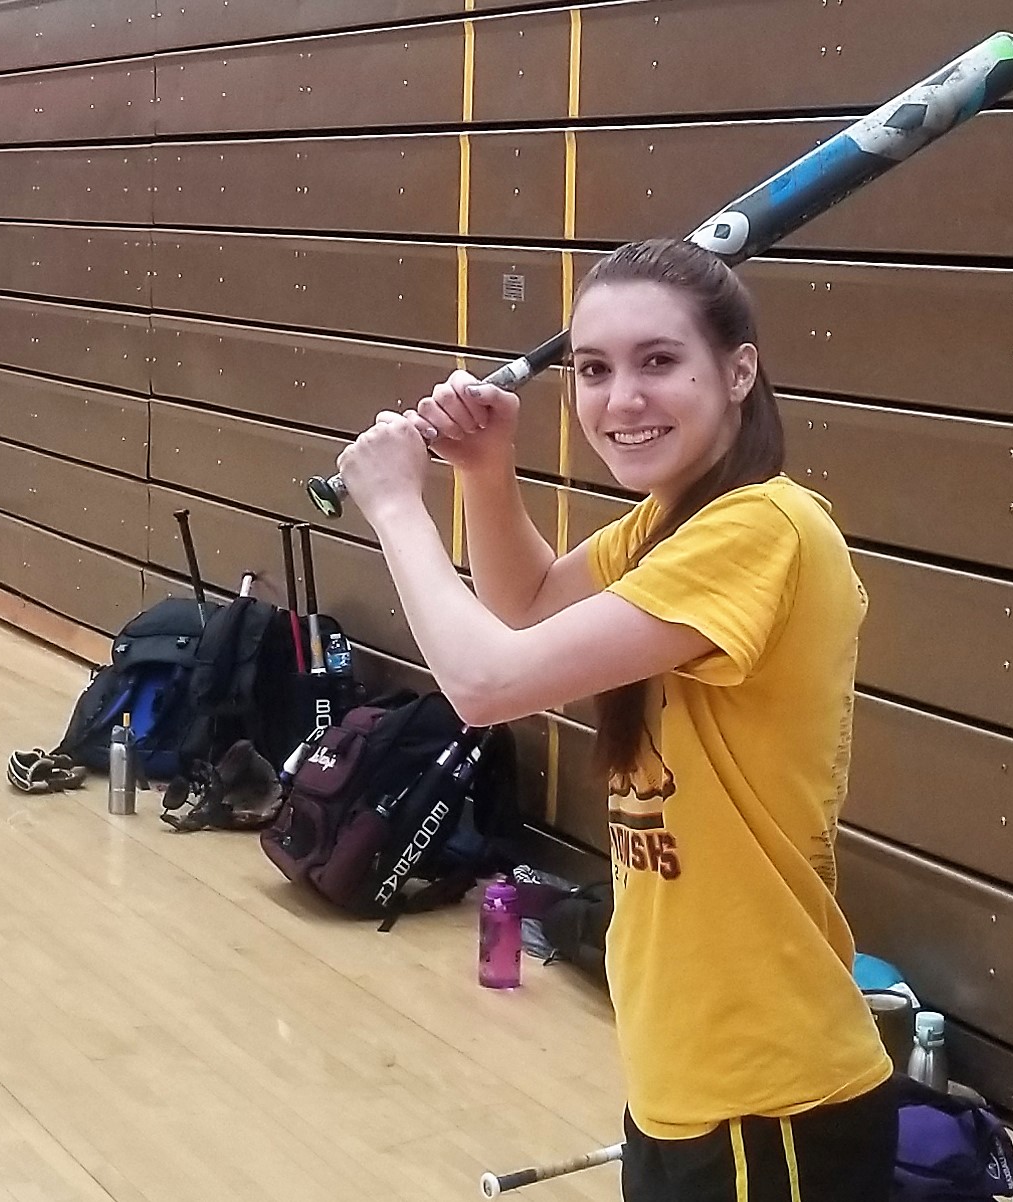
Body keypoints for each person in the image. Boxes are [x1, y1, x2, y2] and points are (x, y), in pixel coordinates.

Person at [333, 238, 897, 1202]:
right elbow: (525, 609)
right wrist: (483, 466)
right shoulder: (672, 524)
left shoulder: (759, 529)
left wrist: (395, 507)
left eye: (658, 361)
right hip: (686, 1074)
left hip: (770, 1093)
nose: (621, 399)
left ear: (739, 372)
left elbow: (486, 682)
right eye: (593, 369)